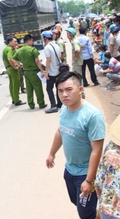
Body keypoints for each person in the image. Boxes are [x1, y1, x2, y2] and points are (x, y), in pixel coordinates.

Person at [46, 71, 105, 219]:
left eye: (68, 89)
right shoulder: (65, 109)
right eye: (60, 91)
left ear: (80, 90)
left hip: (85, 173)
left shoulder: (92, 115)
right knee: (78, 204)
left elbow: (96, 151)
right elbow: (61, 131)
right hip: (70, 170)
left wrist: (89, 180)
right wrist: (51, 153)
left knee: (84, 214)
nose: (64, 95)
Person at [13, 35, 46, 110]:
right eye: (32, 41)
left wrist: (20, 65)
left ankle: (31, 104)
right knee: (38, 88)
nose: (33, 42)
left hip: (26, 72)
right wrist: (42, 71)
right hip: (34, 72)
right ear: (28, 41)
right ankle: (41, 103)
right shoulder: (32, 50)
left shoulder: (20, 50)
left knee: (29, 89)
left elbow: (13, 58)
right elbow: (37, 61)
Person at [42, 31, 62, 114]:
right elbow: (60, 56)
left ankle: (53, 106)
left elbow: (48, 60)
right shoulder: (56, 45)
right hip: (58, 70)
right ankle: (60, 104)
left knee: (49, 89)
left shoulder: (47, 47)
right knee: (58, 88)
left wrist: (46, 72)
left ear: (45, 38)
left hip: (52, 72)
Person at [2, 36, 25, 106]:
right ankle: (16, 100)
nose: (16, 43)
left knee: (12, 85)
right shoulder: (10, 49)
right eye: (14, 41)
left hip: (8, 68)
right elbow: (10, 59)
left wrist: (6, 67)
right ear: (10, 42)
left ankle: (13, 99)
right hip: (12, 69)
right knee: (16, 85)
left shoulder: (5, 49)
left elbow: (3, 60)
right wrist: (15, 67)